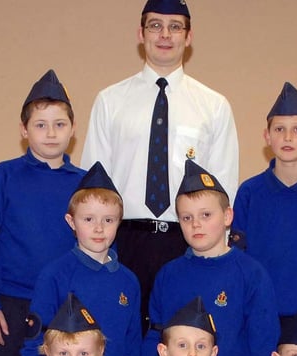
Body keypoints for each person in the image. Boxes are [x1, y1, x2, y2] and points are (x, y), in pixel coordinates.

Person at [81, 0, 239, 334]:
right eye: (155, 25)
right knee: (119, 339)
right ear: (140, 34)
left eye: (175, 26)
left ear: (189, 35)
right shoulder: (110, 101)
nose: (164, 34)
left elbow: (224, 188)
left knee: (188, 340)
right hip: (123, 242)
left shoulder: (213, 106)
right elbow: (92, 189)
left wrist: (218, 254)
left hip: (188, 242)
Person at [0, 69, 85, 356]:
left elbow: (101, 243)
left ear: (72, 129)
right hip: (11, 306)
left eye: (60, 124)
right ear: (24, 130)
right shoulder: (2, 176)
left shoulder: (85, 184)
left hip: (69, 305)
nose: (51, 133)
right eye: (40, 124)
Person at [140, 159, 279, 356]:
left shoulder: (251, 275)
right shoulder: (168, 276)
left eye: (206, 215)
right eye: (186, 217)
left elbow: (263, 350)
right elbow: (154, 342)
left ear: (227, 216)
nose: (196, 224)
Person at [20, 161, 141, 356]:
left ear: (119, 222)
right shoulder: (54, 275)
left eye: (108, 220)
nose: (99, 228)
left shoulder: (128, 281)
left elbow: (133, 348)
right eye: (88, 219)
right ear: (71, 221)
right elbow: (35, 344)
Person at [232, 82, 297, 316]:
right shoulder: (249, 193)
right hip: (257, 315)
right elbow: (237, 261)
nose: (287, 137)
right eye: (279, 129)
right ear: (267, 136)